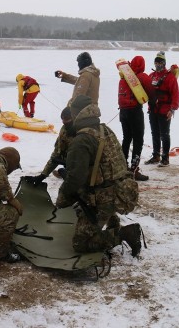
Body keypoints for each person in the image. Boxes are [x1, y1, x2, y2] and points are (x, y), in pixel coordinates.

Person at [55, 95, 143, 257]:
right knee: (89, 202)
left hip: (103, 196)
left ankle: (123, 234)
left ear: (76, 114)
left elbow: (75, 179)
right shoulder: (103, 129)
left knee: (80, 242)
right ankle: (112, 221)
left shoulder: (82, 140)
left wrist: (61, 200)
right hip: (120, 189)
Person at [118, 56, 154, 181]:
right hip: (135, 112)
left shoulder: (124, 76)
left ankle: (122, 167)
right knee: (138, 140)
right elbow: (151, 91)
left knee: (126, 138)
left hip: (123, 112)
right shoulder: (142, 76)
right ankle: (134, 170)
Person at [145, 51, 179, 167]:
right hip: (153, 109)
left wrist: (173, 109)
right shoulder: (151, 76)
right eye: (156, 61)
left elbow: (175, 95)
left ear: (164, 63)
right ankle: (156, 155)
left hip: (165, 110)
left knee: (164, 134)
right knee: (154, 133)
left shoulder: (170, 78)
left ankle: (165, 158)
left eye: (160, 62)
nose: (158, 64)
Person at [29, 107, 76, 185]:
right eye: (62, 119)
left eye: (67, 119)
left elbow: (83, 161)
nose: (64, 122)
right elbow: (57, 153)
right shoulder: (64, 130)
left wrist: (66, 163)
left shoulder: (82, 134)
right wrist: (42, 176)